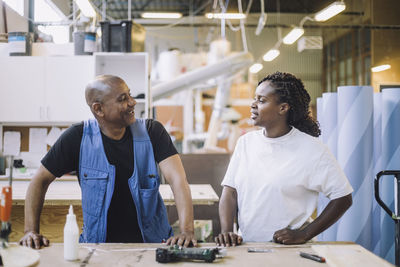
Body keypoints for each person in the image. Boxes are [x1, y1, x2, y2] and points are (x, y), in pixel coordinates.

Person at [19, 75, 196, 249]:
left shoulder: (152, 132)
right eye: (123, 99)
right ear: (99, 109)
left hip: (152, 246)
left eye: (130, 95)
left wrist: (187, 230)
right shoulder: (77, 138)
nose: (133, 102)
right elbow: (39, 180)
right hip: (97, 248)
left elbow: (178, 180)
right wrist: (30, 231)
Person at [215, 71, 353, 246]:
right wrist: (227, 231)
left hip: (291, 250)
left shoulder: (313, 150)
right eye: (255, 98)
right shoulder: (245, 143)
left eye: (262, 100)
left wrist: (304, 234)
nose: (253, 105)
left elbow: (343, 197)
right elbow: (230, 192)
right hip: (248, 247)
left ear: (283, 108)